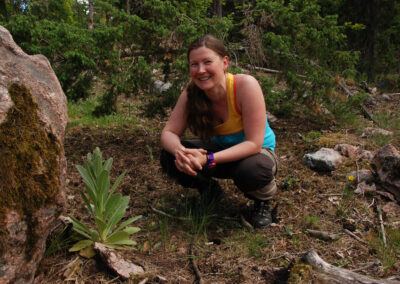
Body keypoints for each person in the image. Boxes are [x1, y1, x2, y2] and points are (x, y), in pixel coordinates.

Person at [160, 34, 278, 228]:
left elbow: (254, 144)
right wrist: (181, 153)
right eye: (194, 64)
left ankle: (262, 200)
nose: (201, 70)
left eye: (208, 62)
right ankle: (209, 190)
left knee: (252, 171)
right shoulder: (192, 92)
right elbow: (169, 133)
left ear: (224, 62)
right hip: (221, 152)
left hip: (256, 155)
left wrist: (207, 159)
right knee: (169, 156)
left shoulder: (245, 85)